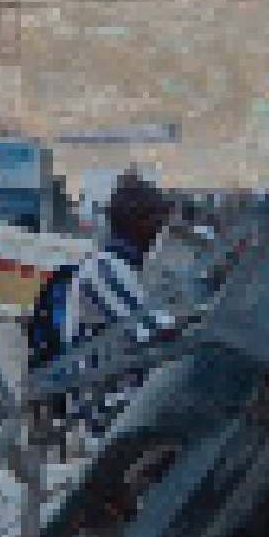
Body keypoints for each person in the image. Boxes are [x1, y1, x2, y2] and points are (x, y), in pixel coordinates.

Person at [60, 174, 178, 433]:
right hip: (103, 409)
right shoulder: (105, 271)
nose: (160, 231)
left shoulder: (121, 268)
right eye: (157, 221)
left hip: (117, 397)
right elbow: (154, 333)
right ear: (139, 223)